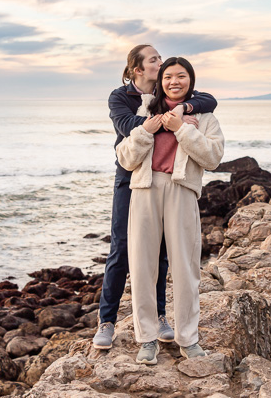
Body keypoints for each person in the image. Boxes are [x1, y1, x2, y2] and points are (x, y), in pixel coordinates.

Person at [92, 45, 217, 351]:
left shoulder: (181, 99)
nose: (161, 65)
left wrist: (182, 110)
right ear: (138, 69)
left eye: (163, 60)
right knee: (123, 248)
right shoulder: (122, 98)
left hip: (174, 185)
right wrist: (162, 120)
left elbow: (207, 100)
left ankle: (162, 317)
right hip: (132, 179)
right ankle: (107, 321)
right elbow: (125, 128)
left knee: (163, 253)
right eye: (155, 61)